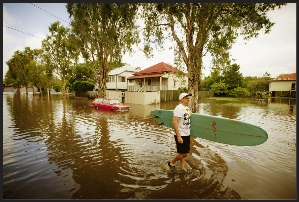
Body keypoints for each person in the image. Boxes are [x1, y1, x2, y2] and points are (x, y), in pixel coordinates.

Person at [167, 92, 192, 174]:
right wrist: (178, 136)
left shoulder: (187, 108)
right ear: (181, 99)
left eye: (188, 98)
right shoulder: (178, 108)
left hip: (187, 133)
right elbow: (174, 122)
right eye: (186, 98)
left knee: (183, 153)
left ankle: (182, 167)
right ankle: (171, 162)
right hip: (181, 134)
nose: (188, 99)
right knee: (184, 154)